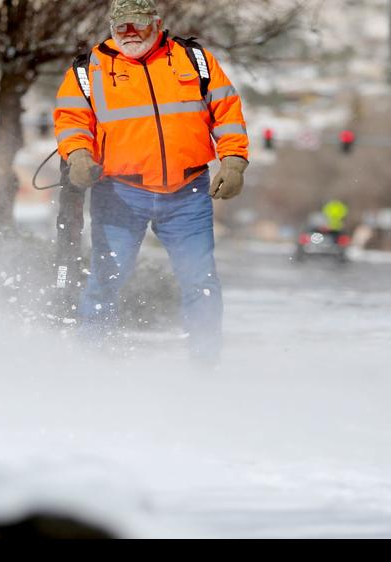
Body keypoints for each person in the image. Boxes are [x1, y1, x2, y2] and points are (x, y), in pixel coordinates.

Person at [53, 0, 249, 363]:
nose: (129, 33)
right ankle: (90, 364)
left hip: (187, 194)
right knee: (106, 279)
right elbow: (72, 122)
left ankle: (206, 367)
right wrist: (78, 157)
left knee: (200, 282)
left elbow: (227, 113)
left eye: (137, 25)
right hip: (119, 194)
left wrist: (234, 162)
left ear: (156, 23)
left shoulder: (193, 60)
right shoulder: (89, 69)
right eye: (120, 26)